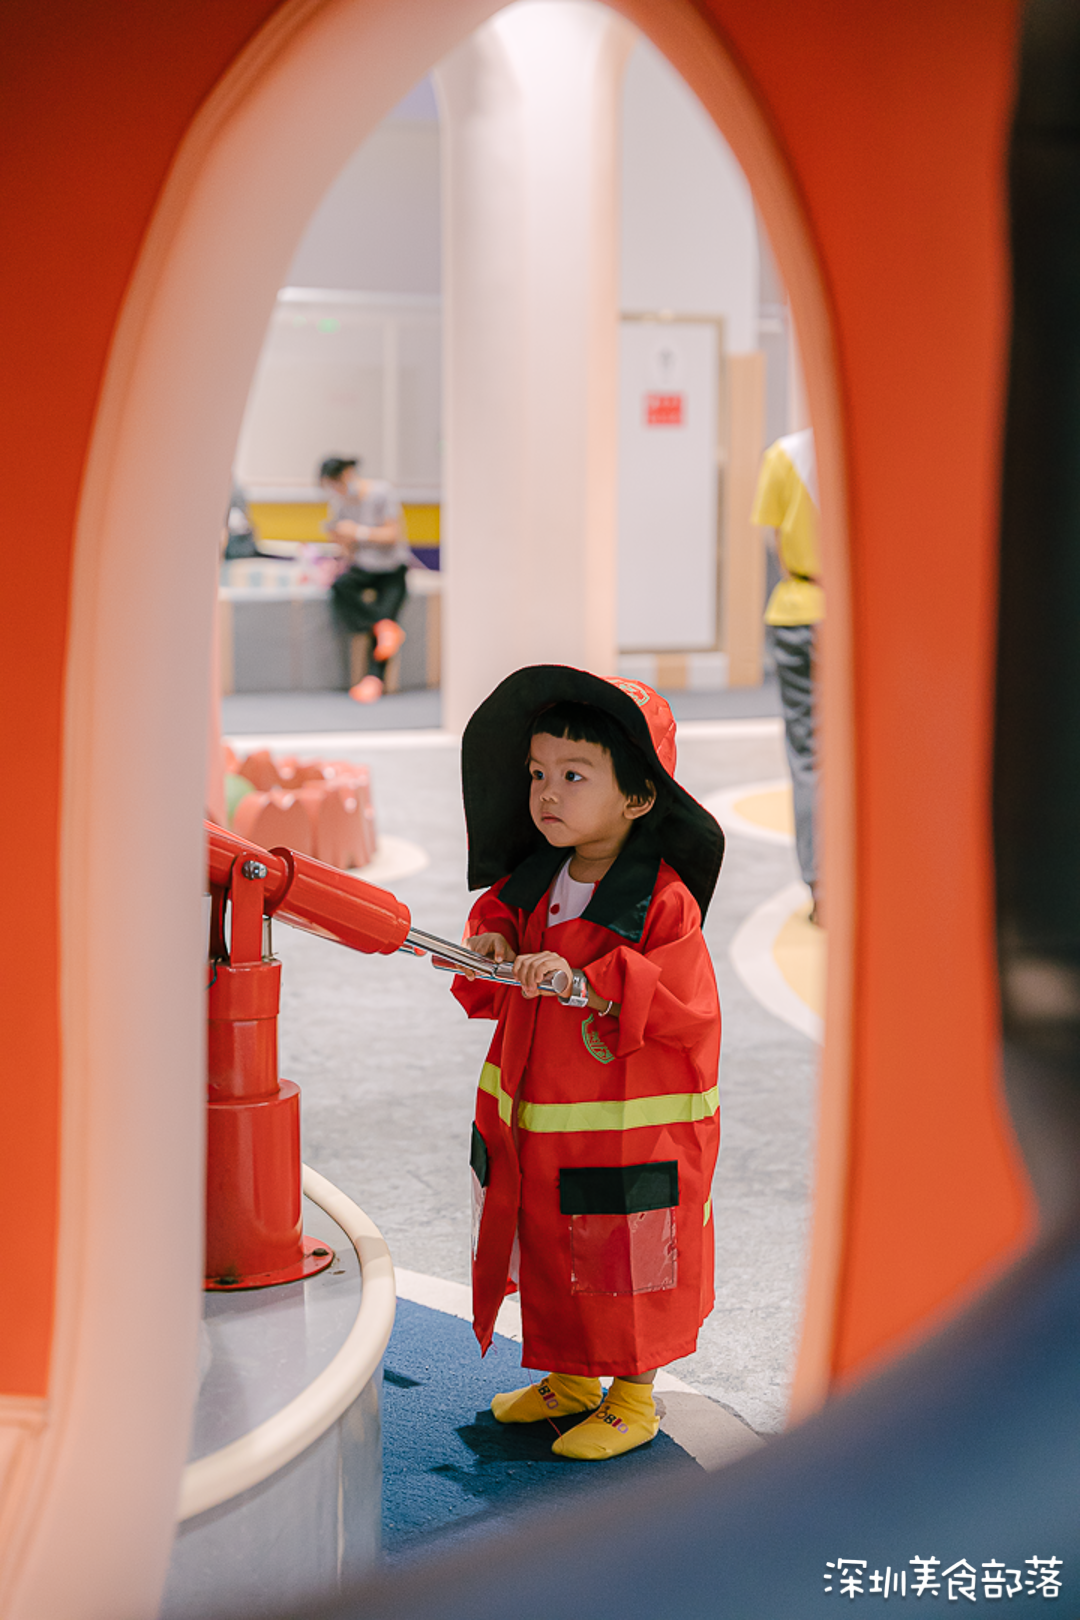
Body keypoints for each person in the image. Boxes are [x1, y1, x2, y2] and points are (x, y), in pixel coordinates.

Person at [448, 666, 724, 1461]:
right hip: (542, 1124)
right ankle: (569, 1378)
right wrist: (493, 941)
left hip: (629, 1138)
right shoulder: (532, 882)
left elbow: (681, 999)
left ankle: (634, 1397)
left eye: (574, 776)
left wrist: (587, 980)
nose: (547, 793)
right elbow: (498, 921)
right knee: (549, 1238)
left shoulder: (662, 902)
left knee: (623, 1255)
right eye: (538, 774)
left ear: (639, 798)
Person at [751, 428, 824, 919]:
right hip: (860, 618)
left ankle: (823, 888)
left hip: (798, 610)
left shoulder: (784, 455)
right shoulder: (880, 445)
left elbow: (777, 544)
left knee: (810, 756)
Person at [319, 455, 413, 703]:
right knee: (341, 588)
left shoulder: (382, 493)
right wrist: (340, 539)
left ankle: (374, 679)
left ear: (346, 475)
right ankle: (381, 626)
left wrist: (358, 532)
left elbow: (392, 534)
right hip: (362, 568)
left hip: (391, 570)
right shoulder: (340, 504)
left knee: (387, 612)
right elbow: (348, 547)